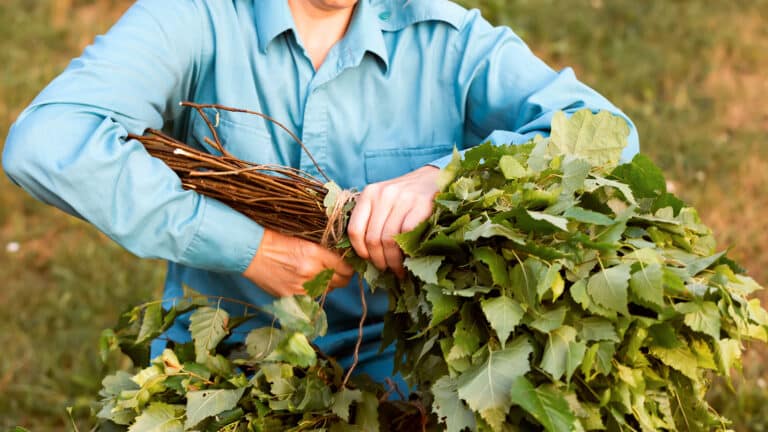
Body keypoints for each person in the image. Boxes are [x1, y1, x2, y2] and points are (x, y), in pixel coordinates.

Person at [2, 0, 638, 389]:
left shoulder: (446, 39)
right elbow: (47, 142)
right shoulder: (195, 17)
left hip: (403, 366)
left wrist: (446, 175)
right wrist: (251, 249)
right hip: (227, 362)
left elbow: (607, 133)